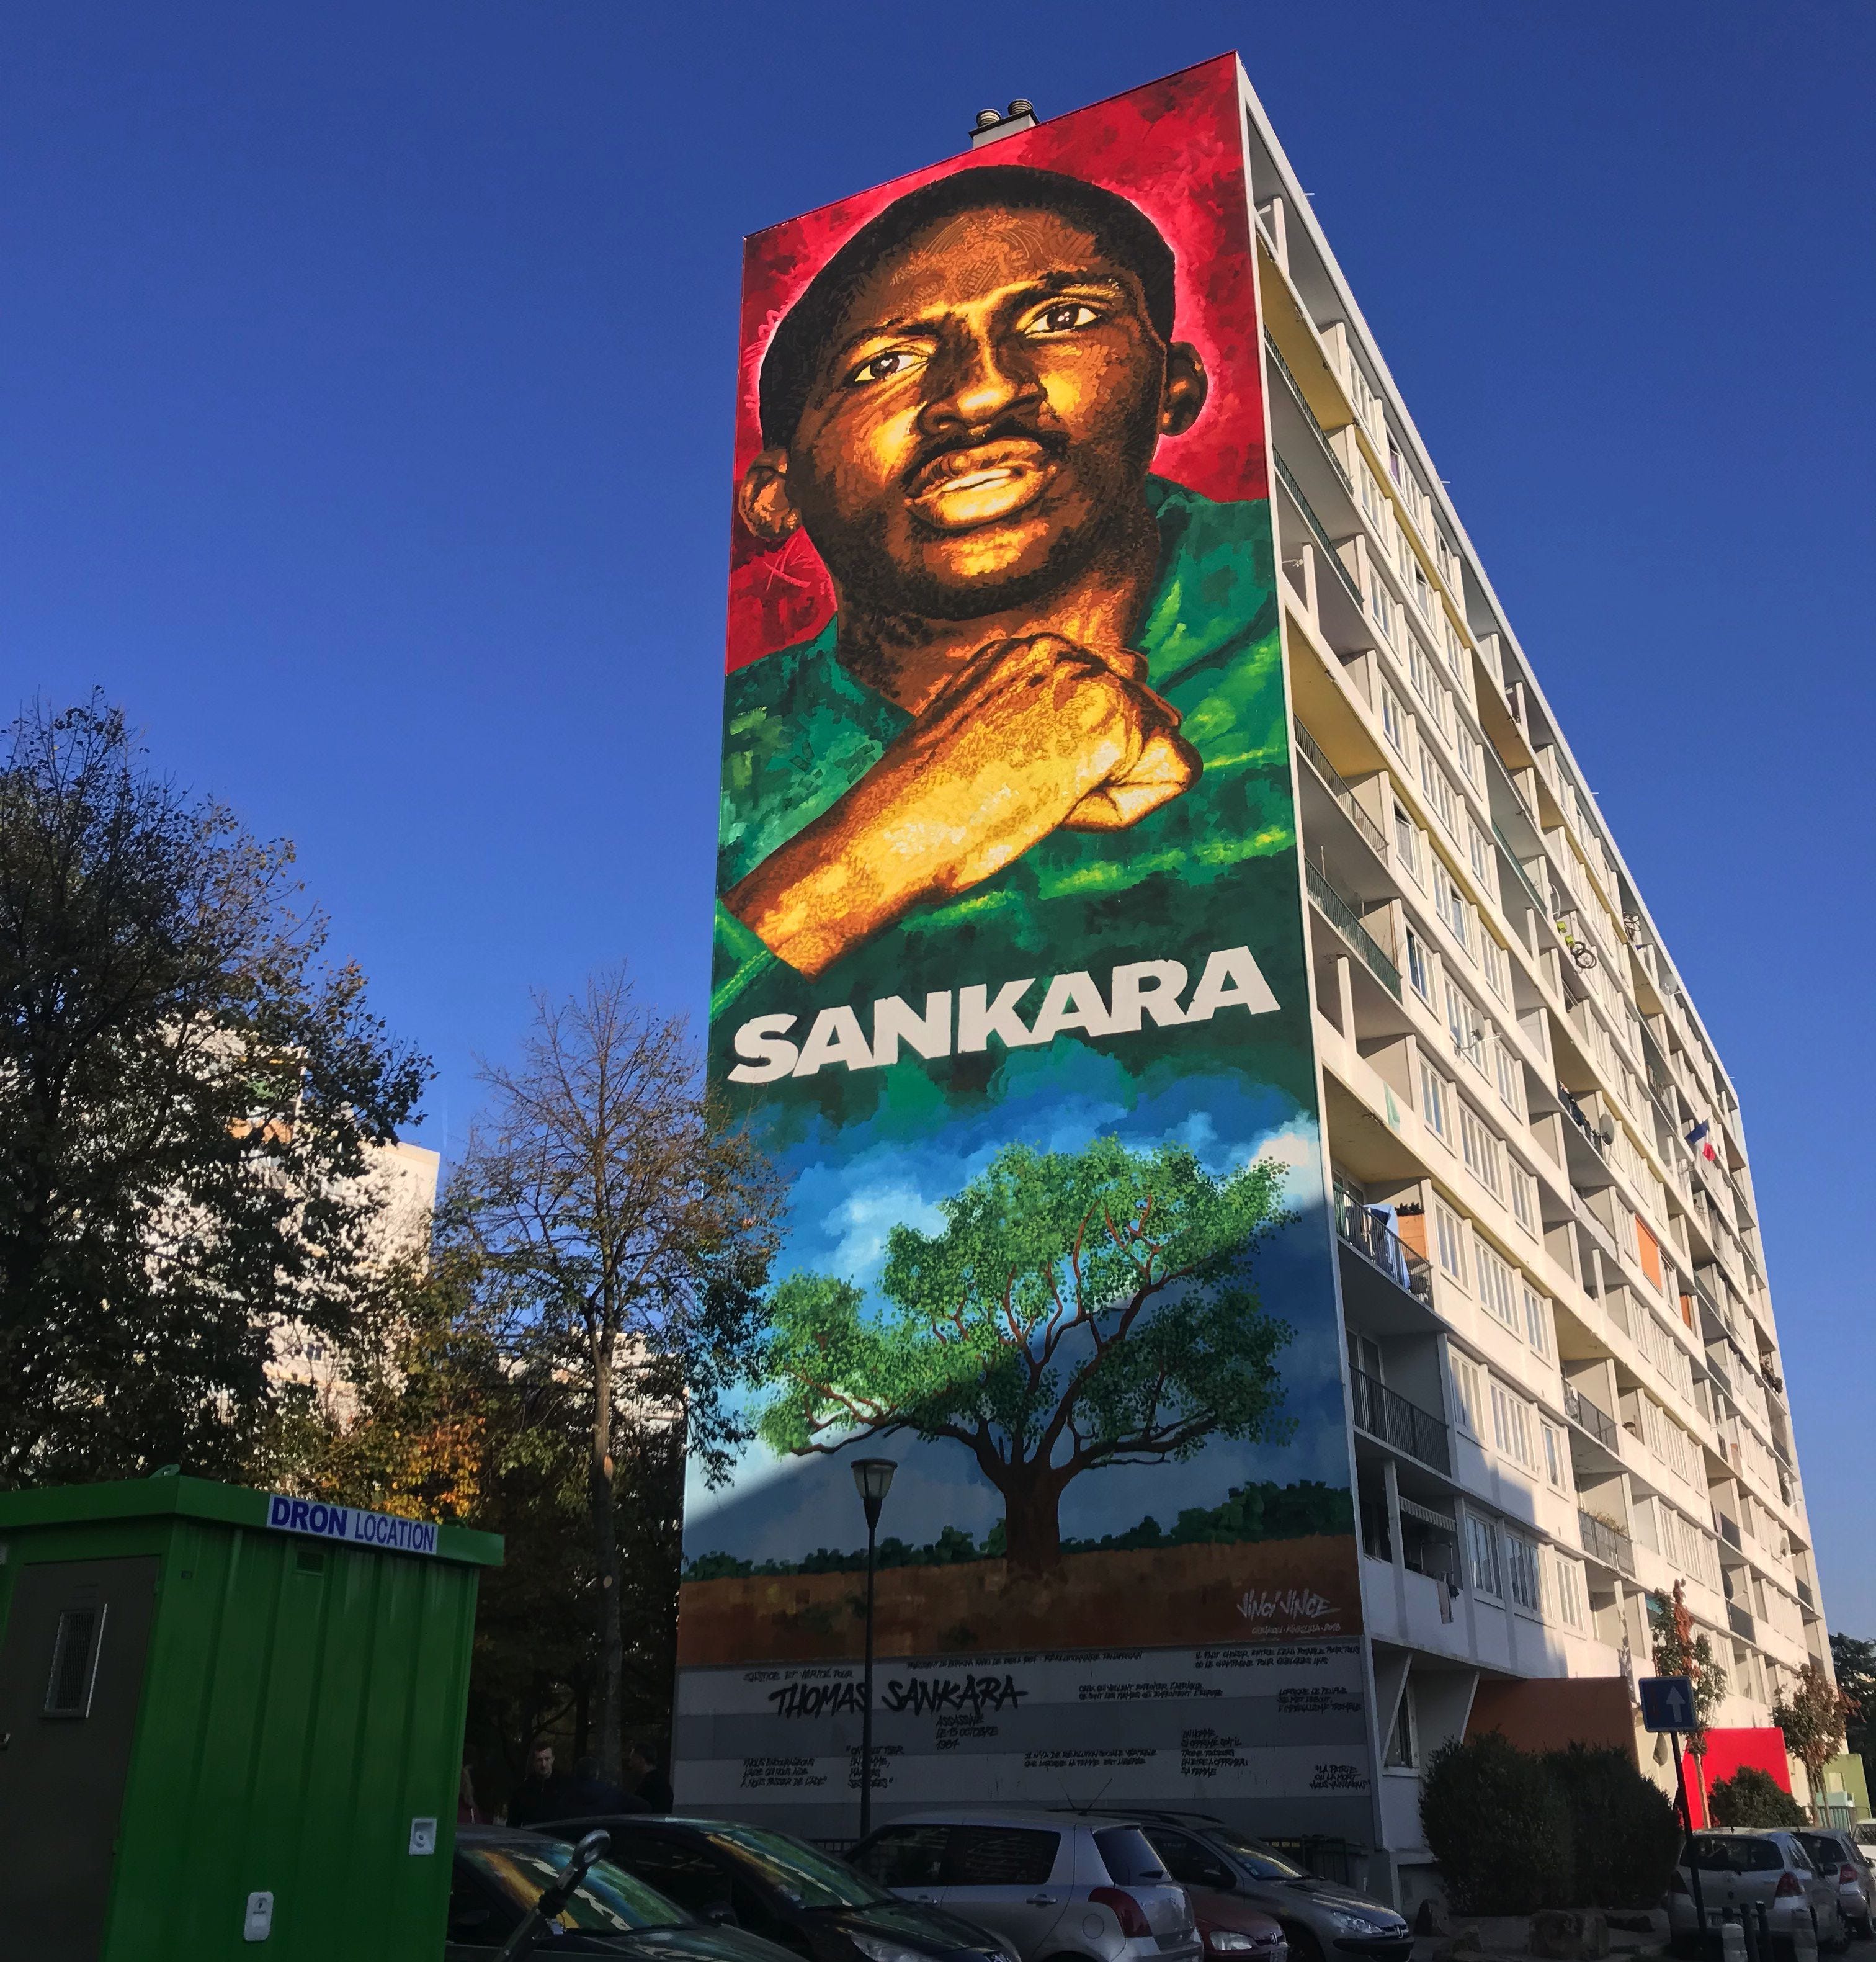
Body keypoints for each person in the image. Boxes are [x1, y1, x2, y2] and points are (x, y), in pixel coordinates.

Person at [713, 161, 1287, 1039]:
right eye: (885, 364)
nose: (981, 392)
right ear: (773, 495)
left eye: (1063, 319)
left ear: (1173, 385)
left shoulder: (1301, 604)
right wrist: (873, 851)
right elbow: (666, 1082)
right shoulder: (740, 750)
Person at [507, 1740, 563, 1827]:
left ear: (553, 1759)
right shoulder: (523, 1791)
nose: (544, 1765)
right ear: (533, 1762)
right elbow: (513, 1823)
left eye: (547, 1759)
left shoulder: (565, 1786)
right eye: (539, 1760)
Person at [625, 1739, 674, 1814]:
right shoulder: (661, 1780)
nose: (630, 1764)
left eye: (632, 1760)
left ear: (641, 1760)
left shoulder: (649, 1784)